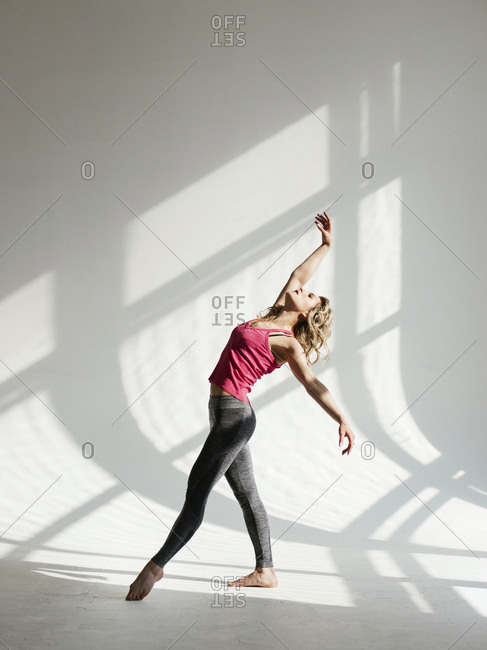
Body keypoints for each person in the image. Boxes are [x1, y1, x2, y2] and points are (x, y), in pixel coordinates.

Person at [125, 211, 355, 601]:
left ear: (306, 314)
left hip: (235, 418)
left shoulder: (287, 342)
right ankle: (265, 570)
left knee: (195, 491)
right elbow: (300, 274)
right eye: (307, 289)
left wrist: (342, 419)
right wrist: (327, 245)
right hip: (225, 413)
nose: (305, 288)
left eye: (311, 296)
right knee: (248, 496)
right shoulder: (274, 314)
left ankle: (155, 567)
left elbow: (313, 384)